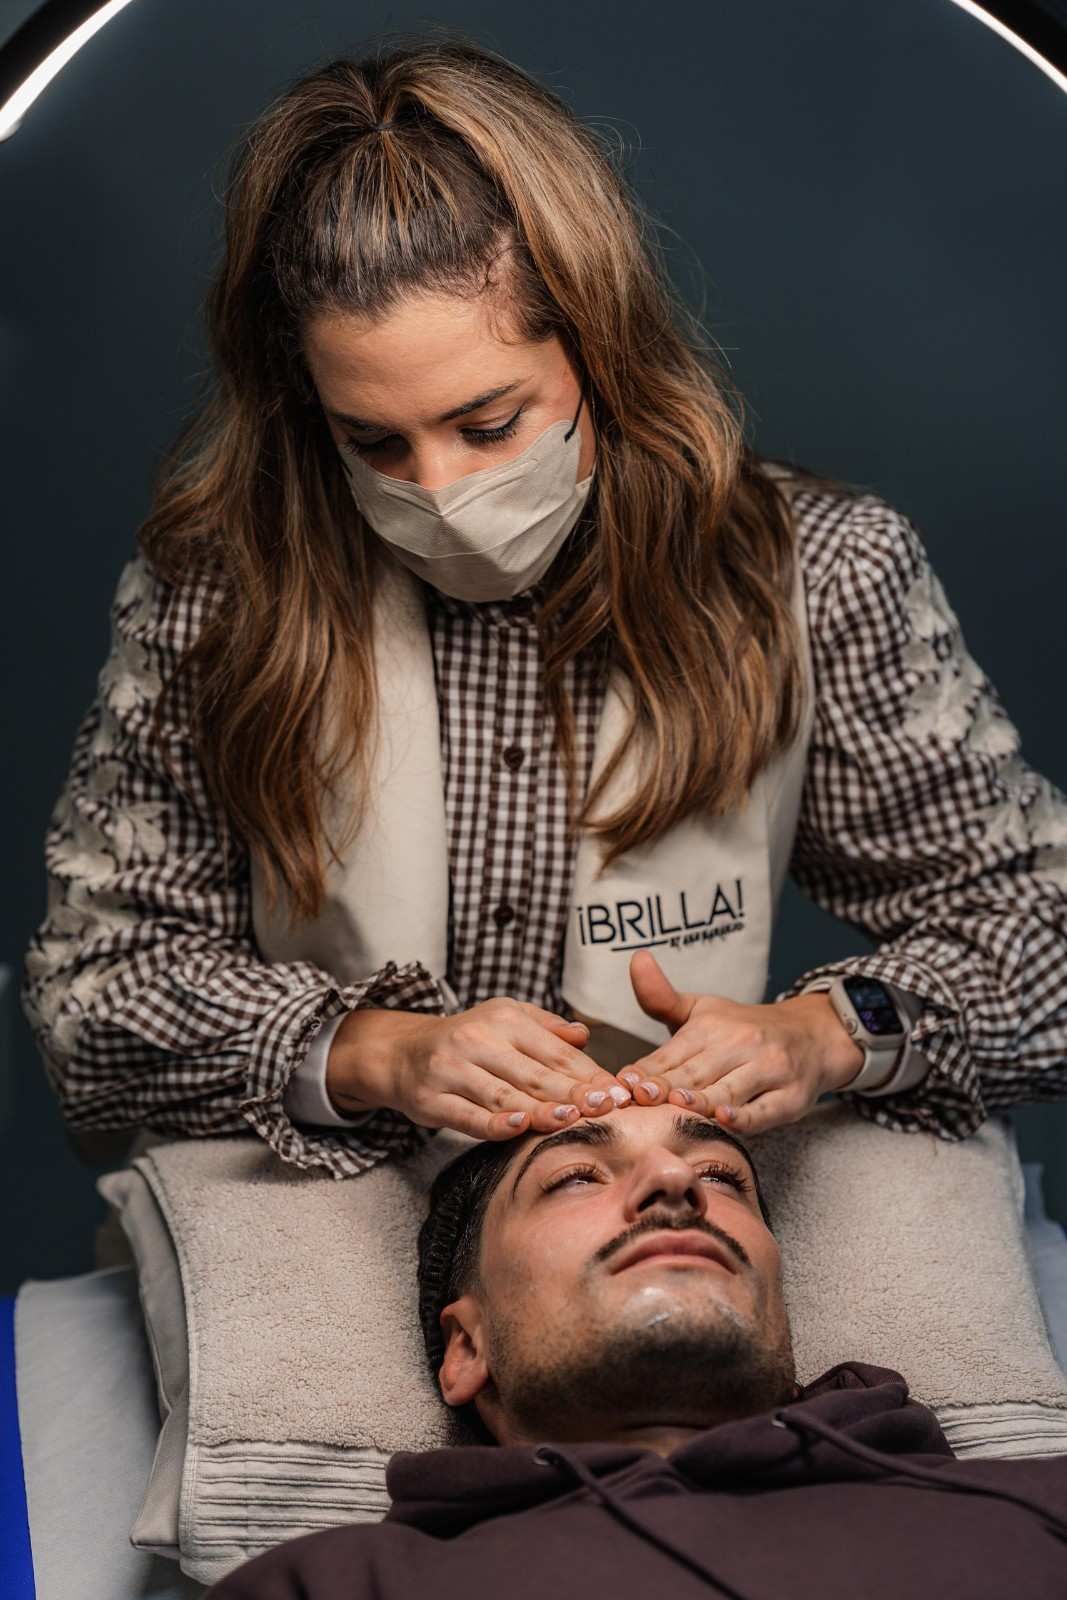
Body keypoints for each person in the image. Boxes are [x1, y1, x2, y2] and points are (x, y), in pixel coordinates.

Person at [20, 37, 1067, 1184]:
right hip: (347, 1183)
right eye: (371, 440)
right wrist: (373, 1053)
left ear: (598, 344)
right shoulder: (224, 589)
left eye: (487, 424)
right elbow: (92, 988)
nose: (436, 488)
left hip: (662, 1179)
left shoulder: (819, 574)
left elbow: (1040, 927)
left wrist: (833, 1032)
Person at [206, 1102, 1067, 1598]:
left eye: (724, 1178)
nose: (676, 1182)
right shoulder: (337, 1586)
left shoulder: (1043, 1505)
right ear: (467, 1348)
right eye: (575, 1176)